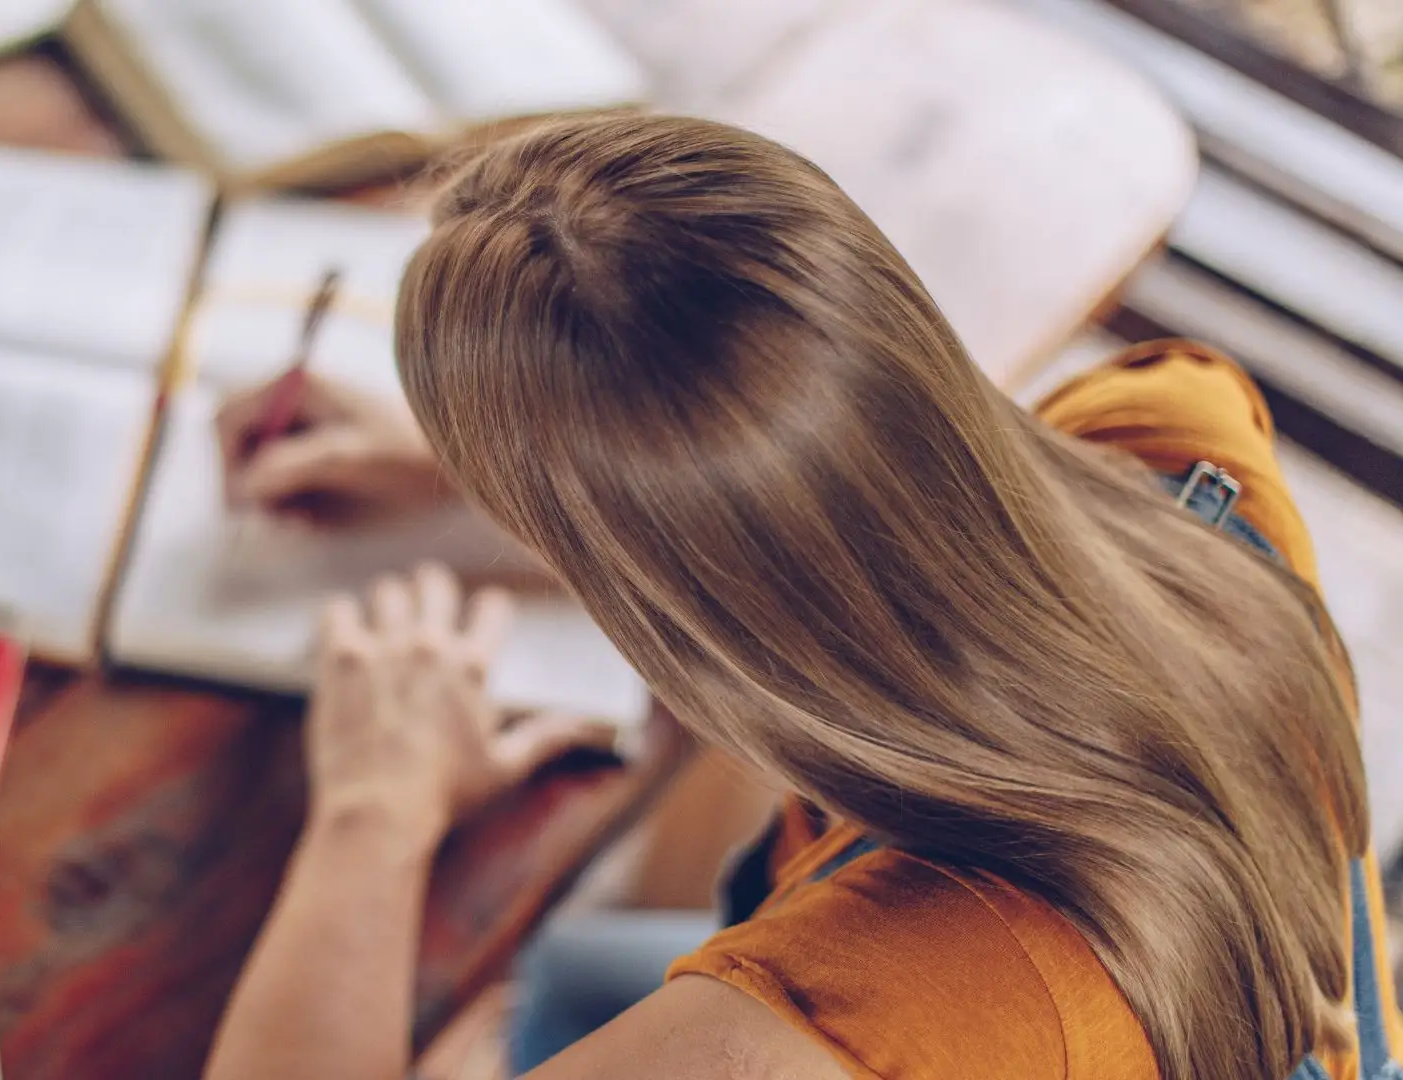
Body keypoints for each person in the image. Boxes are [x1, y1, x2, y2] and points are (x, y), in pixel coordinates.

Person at [200, 113, 1402, 1080]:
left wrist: (374, 810)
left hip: (996, 1011)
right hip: (1223, 991)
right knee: (565, 981)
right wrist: (506, 485)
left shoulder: (840, 1034)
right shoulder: (1174, 429)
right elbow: (853, 498)